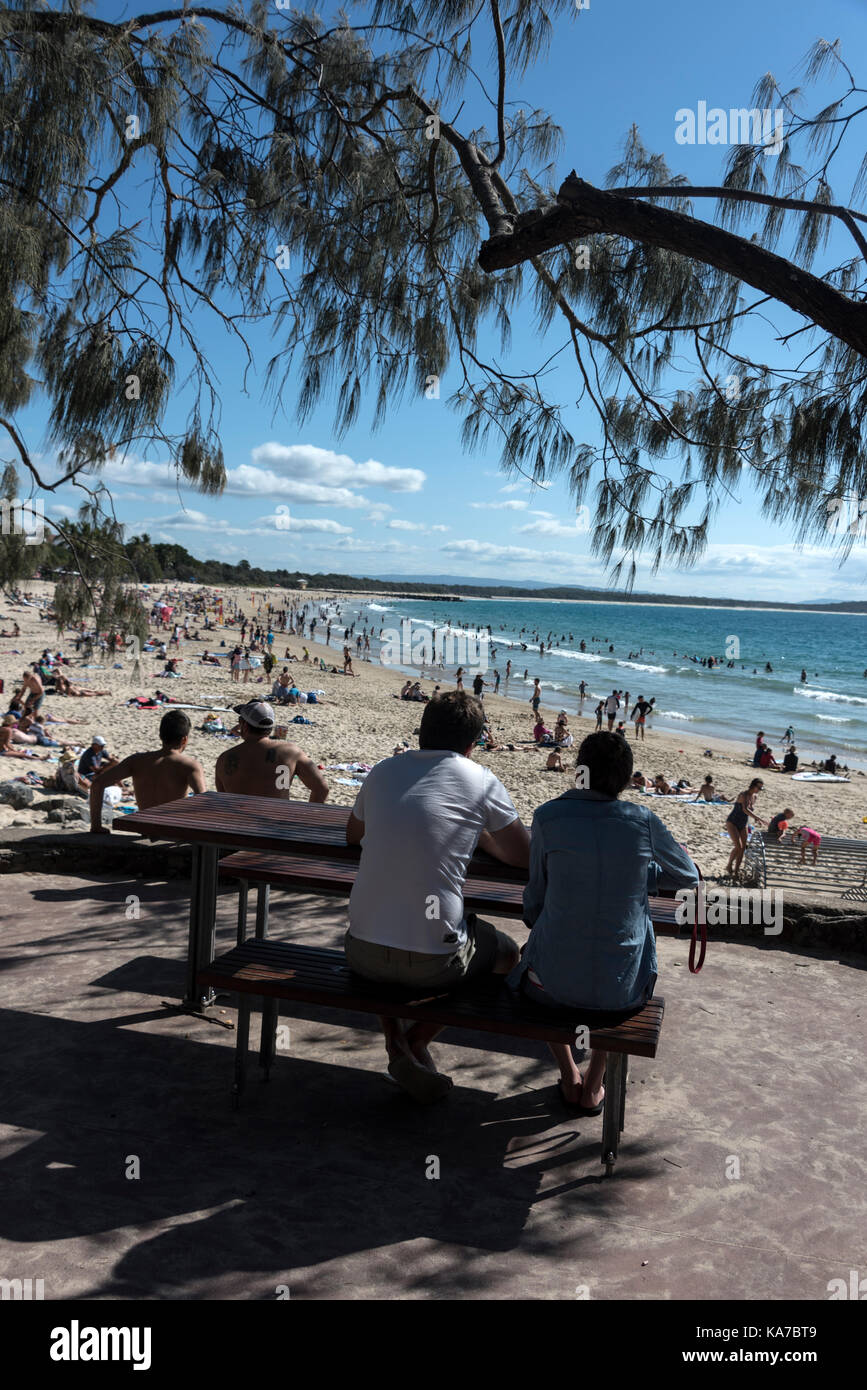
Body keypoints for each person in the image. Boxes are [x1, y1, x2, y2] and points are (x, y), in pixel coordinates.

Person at [344, 690, 529, 1102]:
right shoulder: (481, 779)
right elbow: (523, 857)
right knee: (506, 955)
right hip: (434, 964)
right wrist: (475, 834)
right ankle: (416, 1040)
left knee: (389, 926)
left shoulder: (382, 771)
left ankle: (395, 1040)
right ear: (472, 743)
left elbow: (352, 835)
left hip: (361, 953)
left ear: (422, 733)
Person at [510, 731, 697, 1112]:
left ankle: (568, 1075)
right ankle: (594, 1084)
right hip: (622, 995)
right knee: (621, 969)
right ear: (627, 779)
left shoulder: (547, 816)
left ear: (580, 772)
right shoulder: (642, 820)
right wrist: (641, 875)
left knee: (532, 956)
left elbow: (534, 904)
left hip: (549, 991)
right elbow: (687, 875)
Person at [88, 710, 207, 832]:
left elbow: (97, 784)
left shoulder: (136, 761)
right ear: (184, 740)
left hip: (145, 830)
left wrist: (96, 826)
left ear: (160, 736)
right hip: (173, 832)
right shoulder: (190, 766)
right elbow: (204, 802)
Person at [215, 700, 329, 801]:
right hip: (277, 823)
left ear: (244, 725)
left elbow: (223, 799)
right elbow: (322, 789)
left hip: (236, 823)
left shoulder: (224, 758)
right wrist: (308, 818)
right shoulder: (291, 752)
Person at [725, 778, 765, 879]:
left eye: (761, 788)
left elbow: (749, 811)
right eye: (758, 787)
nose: (759, 790)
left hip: (743, 823)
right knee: (738, 846)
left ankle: (736, 871)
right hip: (732, 822)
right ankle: (729, 865)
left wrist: (756, 819)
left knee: (743, 848)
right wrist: (758, 818)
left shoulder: (754, 797)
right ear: (753, 785)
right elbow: (745, 809)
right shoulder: (743, 795)